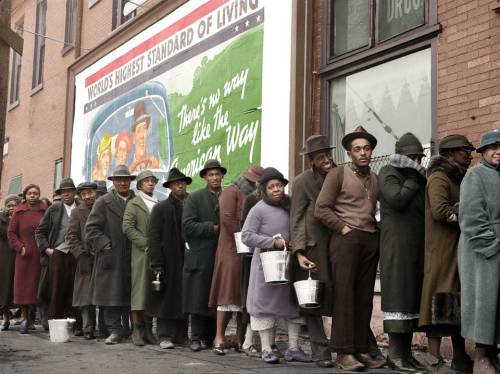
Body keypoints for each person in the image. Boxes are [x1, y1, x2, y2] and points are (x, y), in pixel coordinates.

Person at [315, 126, 385, 371]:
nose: (363, 153)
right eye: (357, 149)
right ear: (349, 153)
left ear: (372, 151)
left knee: (364, 298)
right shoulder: (338, 174)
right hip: (346, 240)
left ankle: (361, 349)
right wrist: (343, 228)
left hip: (369, 239)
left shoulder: (374, 178)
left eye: (366, 148)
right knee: (344, 296)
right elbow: (321, 208)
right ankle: (344, 354)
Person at [241, 167, 312, 364]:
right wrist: (273, 242)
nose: (276, 190)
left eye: (279, 185)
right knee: (264, 307)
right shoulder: (258, 209)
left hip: (288, 264)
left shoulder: (291, 206)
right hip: (266, 266)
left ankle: (293, 348)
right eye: (271, 187)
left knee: (291, 306)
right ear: (264, 190)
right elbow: (246, 236)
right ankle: (266, 349)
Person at [418, 134, 475, 372]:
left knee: (456, 303)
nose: (470, 155)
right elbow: (440, 211)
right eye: (465, 151)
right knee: (438, 304)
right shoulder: (439, 177)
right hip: (442, 251)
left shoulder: (460, 176)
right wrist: (470, 209)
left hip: (459, 249)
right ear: (451, 153)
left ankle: (461, 358)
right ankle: (433, 358)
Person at [378, 133, 427, 372]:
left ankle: (406, 355)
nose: (416, 160)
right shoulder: (389, 172)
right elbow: (396, 200)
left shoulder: (418, 177)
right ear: (401, 156)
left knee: (411, 298)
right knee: (398, 296)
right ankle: (394, 354)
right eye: (412, 156)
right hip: (396, 245)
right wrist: (411, 179)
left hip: (416, 246)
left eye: (419, 156)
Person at [290, 135, 335, 368]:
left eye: (328, 154)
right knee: (313, 300)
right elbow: (296, 218)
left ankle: (353, 347)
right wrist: (299, 252)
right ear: (311, 160)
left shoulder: (342, 175)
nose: (326, 159)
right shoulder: (301, 182)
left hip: (339, 246)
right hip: (313, 248)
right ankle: (321, 351)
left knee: (345, 297)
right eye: (320, 156)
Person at [209, 165, 263, 355]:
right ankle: (219, 337)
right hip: (231, 250)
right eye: (252, 181)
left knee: (243, 297)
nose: (254, 185)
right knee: (227, 294)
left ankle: (241, 340)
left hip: (248, 250)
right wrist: (246, 237)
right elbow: (227, 219)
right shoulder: (231, 192)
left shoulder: (256, 196)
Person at [458, 130, 500, 374]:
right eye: (492, 148)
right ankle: (481, 357)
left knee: (495, 305)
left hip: (496, 249)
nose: (498, 152)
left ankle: (492, 355)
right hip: (481, 253)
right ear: (483, 152)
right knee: (483, 303)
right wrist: (491, 246)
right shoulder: (475, 176)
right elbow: (472, 218)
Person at [86, 164, 136, 345]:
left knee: (131, 294)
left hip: (133, 256)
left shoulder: (137, 201)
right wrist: (105, 245)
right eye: (119, 179)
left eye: (126, 179)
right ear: (113, 182)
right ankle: (114, 330)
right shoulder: (103, 202)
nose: (123, 183)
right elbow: (91, 229)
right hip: (111, 256)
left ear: (130, 182)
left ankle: (131, 329)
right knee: (111, 295)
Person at [146, 168, 192, 349]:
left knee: (185, 298)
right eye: (175, 183)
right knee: (165, 300)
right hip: (168, 260)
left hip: (188, 259)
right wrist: (157, 264)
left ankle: (182, 336)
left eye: (182, 182)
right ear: (170, 186)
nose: (179, 185)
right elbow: (153, 238)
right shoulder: (160, 208)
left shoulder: (191, 204)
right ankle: (164, 336)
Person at [182, 159, 225, 352]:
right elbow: (188, 226)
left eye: (217, 174)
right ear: (205, 177)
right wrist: (213, 228)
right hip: (200, 256)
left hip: (222, 255)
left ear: (222, 175)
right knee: (198, 297)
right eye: (211, 174)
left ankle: (211, 337)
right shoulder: (195, 198)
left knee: (217, 297)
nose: (214, 177)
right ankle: (196, 338)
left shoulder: (228, 196)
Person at [35, 178, 81, 334]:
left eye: (69, 191)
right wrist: (46, 249)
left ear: (75, 193)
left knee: (75, 288)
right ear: (60, 195)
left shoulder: (81, 208)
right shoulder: (54, 209)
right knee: (56, 289)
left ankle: (76, 325)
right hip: (57, 253)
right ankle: (56, 324)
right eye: (63, 192)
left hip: (76, 253)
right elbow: (40, 232)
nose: (66, 194)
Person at [123, 170, 159, 346]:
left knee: (153, 291)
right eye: (146, 181)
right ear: (139, 186)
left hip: (158, 254)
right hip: (141, 254)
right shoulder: (134, 204)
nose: (150, 183)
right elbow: (128, 228)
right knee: (139, 292)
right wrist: (146, 244)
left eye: (153, 181)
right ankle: (137, 329)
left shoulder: (159, 203)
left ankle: (149, 330)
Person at [8, 184, 47, 334]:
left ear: (38, 195)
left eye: (35, 193)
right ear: (25, 195)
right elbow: (11, 234)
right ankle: (25, 319)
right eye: (30, 193)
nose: (33, 195)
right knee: (23, 288)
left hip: (41, 254)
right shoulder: (19, 212)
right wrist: (20, 248)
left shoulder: (45, 211)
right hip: (25, 256)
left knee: (39, 286)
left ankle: (38, 318)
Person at [66, 182, 98, 340]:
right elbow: (71, 237)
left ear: (96, 193)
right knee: (85, 297)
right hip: (85, 258)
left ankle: (104, 328)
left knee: (103, 293)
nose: (88, 196)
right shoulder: (77, 212)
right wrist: (80, 255)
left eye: (90, 193)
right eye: (84, 194)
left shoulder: (102, 207)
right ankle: (87, 328)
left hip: (103, 257)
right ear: (80, 196)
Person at [0, 194, 21, 331]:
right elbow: (6, 234)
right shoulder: (1, 220)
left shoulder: (22, 218)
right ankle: (5, 317)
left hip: (19, 254)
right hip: (4, 255)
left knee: (19, 285)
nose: (11, 208)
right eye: (9, 206)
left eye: (14, 205)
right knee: (5, 287)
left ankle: (25, 318)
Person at [129, 101, 159, 172]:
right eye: (139, 131)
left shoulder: (155, 162)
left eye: (145, 129)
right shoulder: (128, 168)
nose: (142, 136)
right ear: (133, 138)